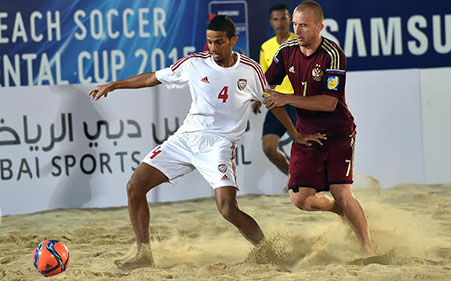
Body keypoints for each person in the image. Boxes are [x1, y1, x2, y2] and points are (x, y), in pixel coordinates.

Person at [88, 15, 326, 269]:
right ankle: (144, 255)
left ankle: (269, 252)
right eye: (209, 42)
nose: (213, 49)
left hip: (220, 146)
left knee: (227, 209)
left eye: (219, 42)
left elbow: (274, 103)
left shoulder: (250, 70)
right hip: (186, 139)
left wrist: (296, 133)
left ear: (233, 41)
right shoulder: (194, 64)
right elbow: (152, 78)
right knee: (134, 187)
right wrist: (113, 85)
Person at [263, 0, 373, 253]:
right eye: (295, 25)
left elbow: (329, 103)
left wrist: (286, 97)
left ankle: (368, 249)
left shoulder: (333, 54)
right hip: (306, 134)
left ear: (319, 27)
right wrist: (293, 132)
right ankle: (338, 211)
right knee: (300, 199)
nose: (297, 30)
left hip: (338, 134)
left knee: (342, 192)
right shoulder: (286, 50)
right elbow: (265, 87)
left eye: (304, 26)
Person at [252, 4, 296, 175]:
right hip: (276, 102)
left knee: (304, 144)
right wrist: (257, 98)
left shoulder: (299, 42)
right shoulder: (266, 47)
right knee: (269, 147)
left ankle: (312, 181)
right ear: (271, 22)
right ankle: (293, 178)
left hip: (296, 100)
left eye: (283, 18)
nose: (280, 23)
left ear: (290, 19)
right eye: (276, 19)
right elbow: (264, 78)